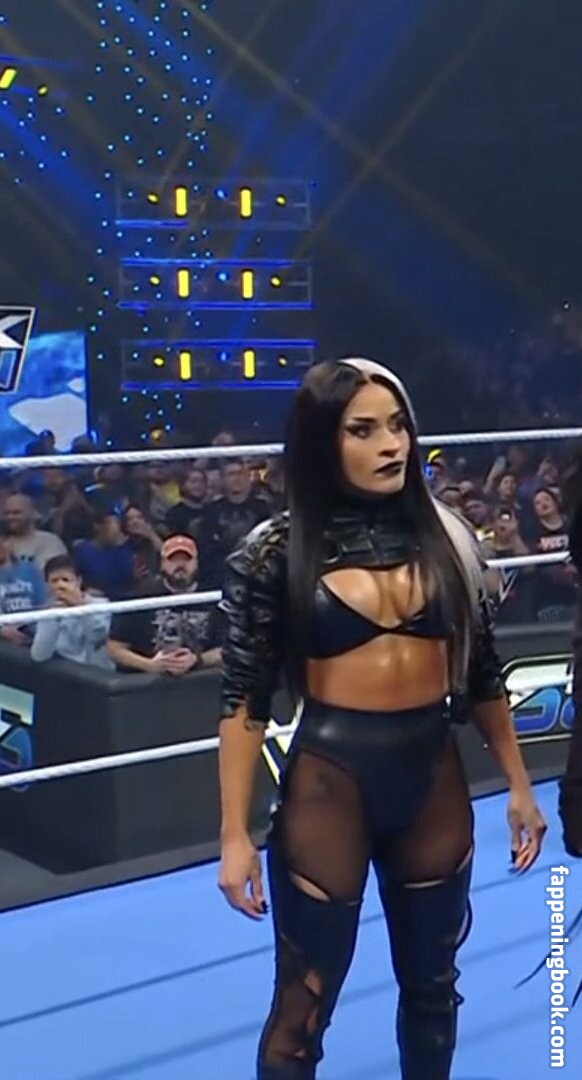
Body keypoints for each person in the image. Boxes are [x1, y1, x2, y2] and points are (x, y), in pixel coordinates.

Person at [217, 358, 546, 1080]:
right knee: (301, 1011)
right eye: (363, 430)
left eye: (398, 426)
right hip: (330, 782)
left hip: (432, 776)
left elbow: (483, 671)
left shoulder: (448, 539)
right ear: (322, 440)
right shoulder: (275, 552)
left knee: (434, 991)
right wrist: (234, 833)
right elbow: (244, 697)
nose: (391, 444)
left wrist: (519, 786)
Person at [107, 534, 222, 674]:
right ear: (162, 563)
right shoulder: (140, 597)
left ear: (196, 563)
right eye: (173, 559)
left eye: (186, 559)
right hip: (148, 682)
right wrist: (149, 665)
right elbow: (114, 648)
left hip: (199, 681)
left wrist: (197, 660)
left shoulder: (212, 598)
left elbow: (227, 649)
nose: (180, 565)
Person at [30, 556, 114, 670]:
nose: (60, 585)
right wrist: (55, 616)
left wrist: (80, 607)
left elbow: (98, 638)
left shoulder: (101, 604)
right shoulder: (47, 613)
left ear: (78, 581)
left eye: (65, 580)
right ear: (47, 585)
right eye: (54, 581)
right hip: (68, 674)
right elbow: (39, 655)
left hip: (98, 673)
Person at [0, 521, 46, 647]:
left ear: (11, 541)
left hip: (32, 631)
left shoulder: (30, 570)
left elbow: (42, 604)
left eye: (3, 540)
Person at [3, 493, 67, 571]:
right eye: (7, 513)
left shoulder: (49, 541)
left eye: (16, 512)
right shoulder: (3, 544)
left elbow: (53, 573)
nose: (10, 517)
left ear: (32, 513)